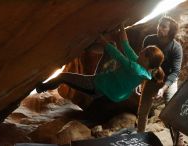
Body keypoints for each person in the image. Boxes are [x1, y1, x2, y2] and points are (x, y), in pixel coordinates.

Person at [36, 24, 164, 103]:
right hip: (108, 80)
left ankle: (41, 88)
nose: (141, 52)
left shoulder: (136, 69)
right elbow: (127, 47)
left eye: (144, 52)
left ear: (147, 60)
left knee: (63, 77)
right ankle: (88, 48)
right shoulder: (143, 67)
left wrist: (102, 40)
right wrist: (121, 25)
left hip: (97, 87)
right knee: (112, 45)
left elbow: (118, 56)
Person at [142, 16, 184, 146]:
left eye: (164, 26)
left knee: (172, 114)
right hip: (152, 78)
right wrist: (140, 80)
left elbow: (176, 72)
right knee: (142, 112)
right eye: (159, 25)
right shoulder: (149, 40)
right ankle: (140, 138)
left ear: (170, 31)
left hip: (169, 81)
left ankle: (179, 142)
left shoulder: (176, 48)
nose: (159, 28)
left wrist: (163, 88)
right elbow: (142, 62)